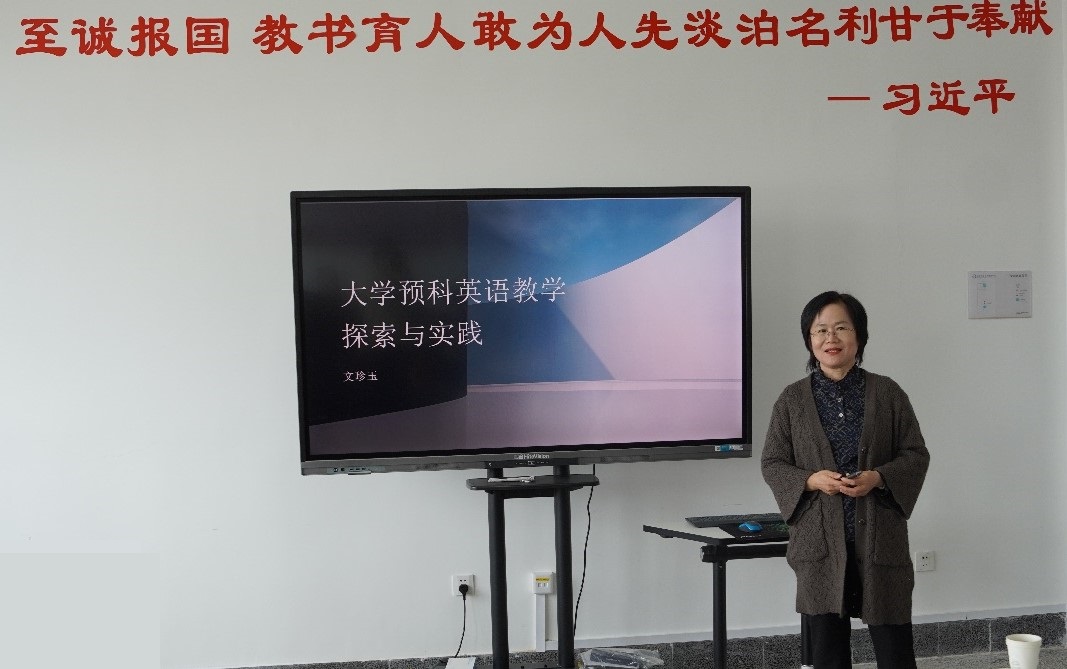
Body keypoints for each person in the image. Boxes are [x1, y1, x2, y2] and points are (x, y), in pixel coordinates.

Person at [761, 291, 930, 669]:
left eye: (841, 328)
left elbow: (915, 454)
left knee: (894, 648)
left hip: (879, 537)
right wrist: (811, 480)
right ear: (809, 339)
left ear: (859, 336)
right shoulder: (791, 400)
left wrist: (878, 477)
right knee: (827, 652)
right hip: (819, 542)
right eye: (820, 330)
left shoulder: (888, 393)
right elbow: (773, 463)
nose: (831, 338)